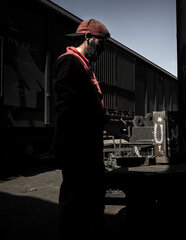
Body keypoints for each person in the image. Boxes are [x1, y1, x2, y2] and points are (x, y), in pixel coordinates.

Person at [52, 19, 110, 239]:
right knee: (75, 200)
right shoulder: (70, 62)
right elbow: (67, 108)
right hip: (77, 147)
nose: (103, 48)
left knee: (90, 198)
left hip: (85, 145)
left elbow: (84, 103)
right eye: (101, 42)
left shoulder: (82, 63)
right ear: (88, 38)